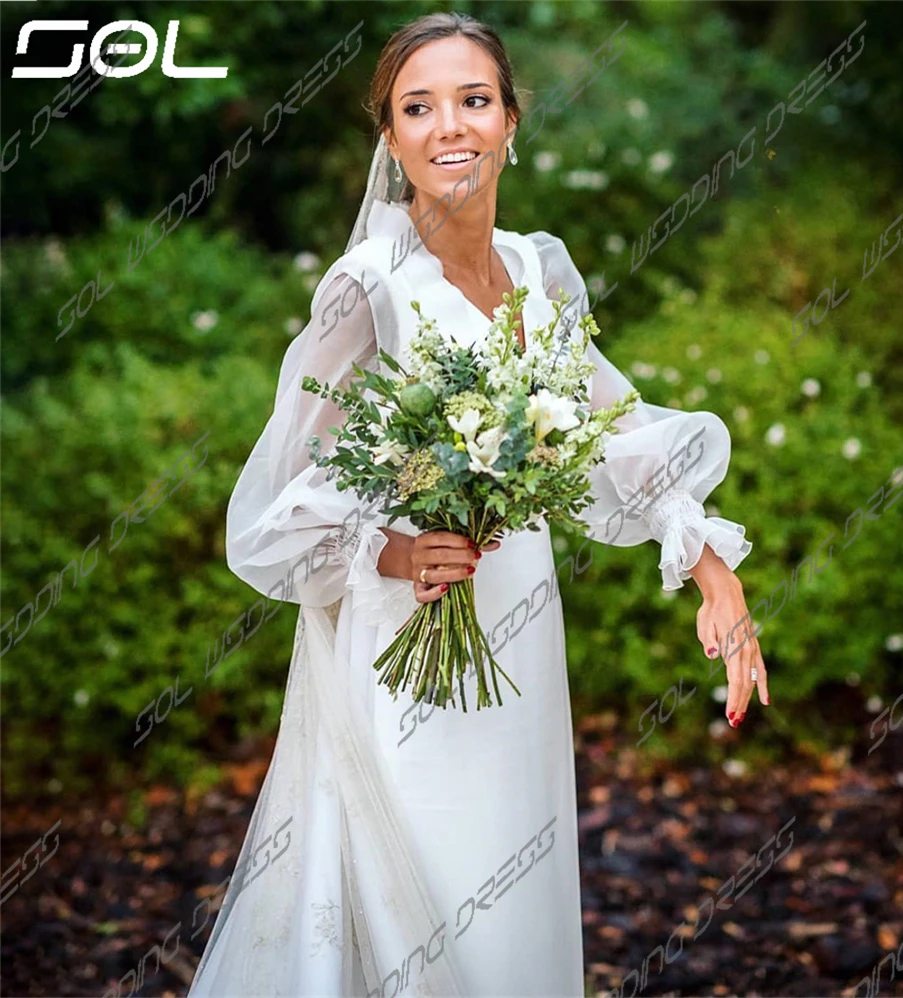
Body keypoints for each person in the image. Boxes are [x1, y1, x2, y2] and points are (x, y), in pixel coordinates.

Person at [187, 12, 765, 998]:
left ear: (509, 120)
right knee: (425, 870)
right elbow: (277, 502)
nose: (448, 124)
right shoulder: (365, 286)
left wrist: (713, 568)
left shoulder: (538, 268)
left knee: (512, 862)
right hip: (406, 636)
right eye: (418, 106)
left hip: (516, 620)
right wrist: (399, 552)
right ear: (390, 137)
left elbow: (609, 423)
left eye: (473, 99)